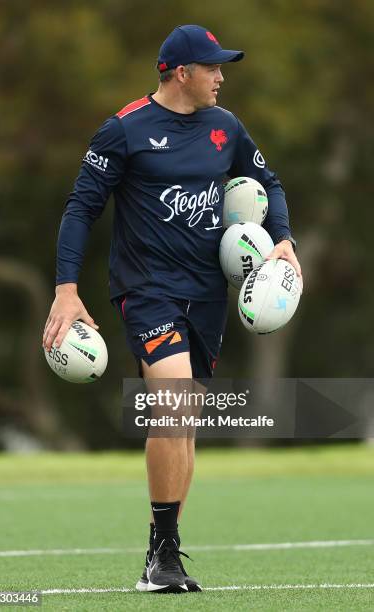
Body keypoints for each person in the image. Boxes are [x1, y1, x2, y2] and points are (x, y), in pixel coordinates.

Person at [43, 24, 302, 594]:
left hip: (208, 294)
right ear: (180, 72)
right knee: (173, 406)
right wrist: (66, 289)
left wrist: (280, 236)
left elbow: (270, 182)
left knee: (184, 429)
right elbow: (80, 209)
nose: (221, 76)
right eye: (212, 67)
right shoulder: (124, 130)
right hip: (146, 288)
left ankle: (163, 554)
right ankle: (162, 556)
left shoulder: (225, 127)